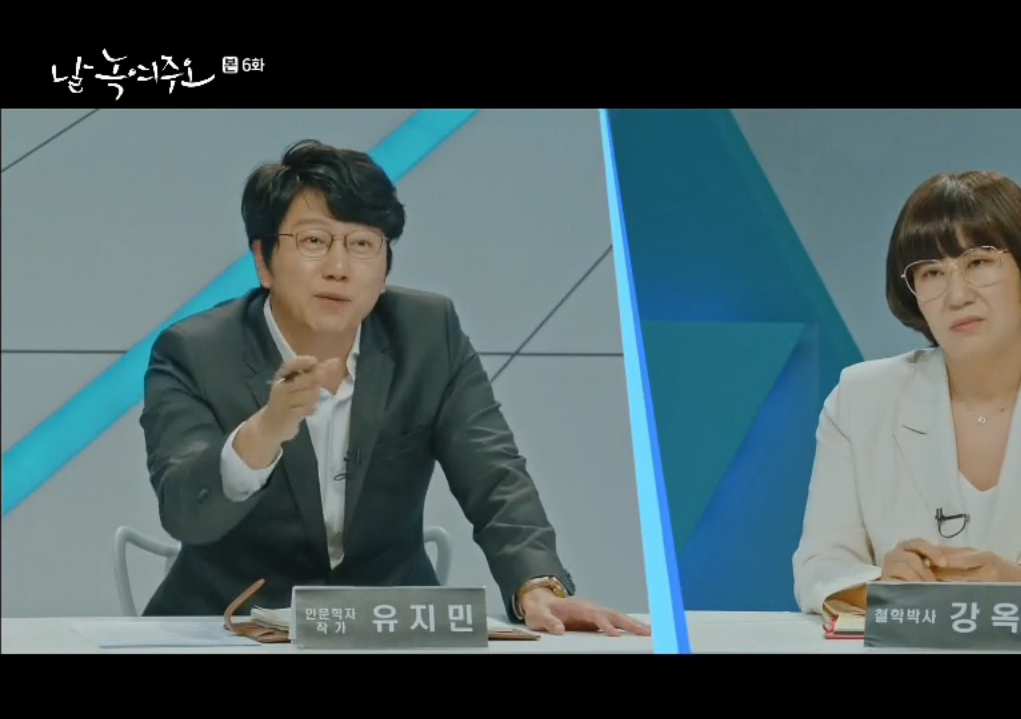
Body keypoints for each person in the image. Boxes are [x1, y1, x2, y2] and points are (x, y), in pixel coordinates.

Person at [139, 139, 649, 637]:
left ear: (384, 269)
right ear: (263, 260)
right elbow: (186, 511)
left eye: (362, 244)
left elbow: (494, 475)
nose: (338, 268)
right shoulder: (194, 353)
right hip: (229, 626)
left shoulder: (428, 335)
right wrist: (263, 433)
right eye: (314, 242)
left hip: (389, 628)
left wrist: (536, 585)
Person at [792, 170, 1021, 620]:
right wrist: (881, 587)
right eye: (932, 273)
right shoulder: (860, 400)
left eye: (978, 263)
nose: (957, 295)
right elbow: (819, 567)